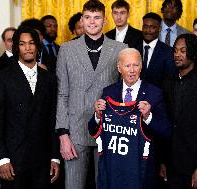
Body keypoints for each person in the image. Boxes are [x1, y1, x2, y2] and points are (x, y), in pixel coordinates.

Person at [55, 1, 127, 189]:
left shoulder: (120, 48)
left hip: (109, 131)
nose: (92, 22)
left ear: (104, 20)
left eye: (97, 18)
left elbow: (127, 91)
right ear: (82, 20)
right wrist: (63, 134)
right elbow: (62, 94)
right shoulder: (66, 49)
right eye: (88, 17)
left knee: (106, 185)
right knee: (73, 185)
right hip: (75, 132)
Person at [88, 48, 171, 189]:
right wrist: (97, 115)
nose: (132, 70)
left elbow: (166, 131)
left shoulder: (154, 93)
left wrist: (148, 117)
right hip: (114, 167)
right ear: (119, 68)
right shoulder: (109, 92)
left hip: (141, 168)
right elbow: (92, 129)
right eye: (127, 66)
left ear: (141, 67)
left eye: (135, 65)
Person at [0, 26, 60, 189]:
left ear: (37, 46)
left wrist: (55, 157)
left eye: (31, 43)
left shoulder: (49, 78)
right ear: (16, 47)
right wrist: (2, 159)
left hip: (42, 160)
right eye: (22, 44)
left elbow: (53, 120)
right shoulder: (2, 78)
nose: (27, 48)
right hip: (13, 160)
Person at [161, 33, 197, 189]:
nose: (177, 54)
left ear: (193, 52)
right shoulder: (168, 81)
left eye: (182, 50)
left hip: (194, 167)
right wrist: (163, 161)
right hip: (170, 164)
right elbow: (166, 123)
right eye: (175, 50)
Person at [136, 12, 175, 89]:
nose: (148, 30)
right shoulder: (133, 49)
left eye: (152, 27)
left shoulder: (168, 52)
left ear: (160, 28)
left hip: (158, 98)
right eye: (145, 26)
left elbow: (169, 80)